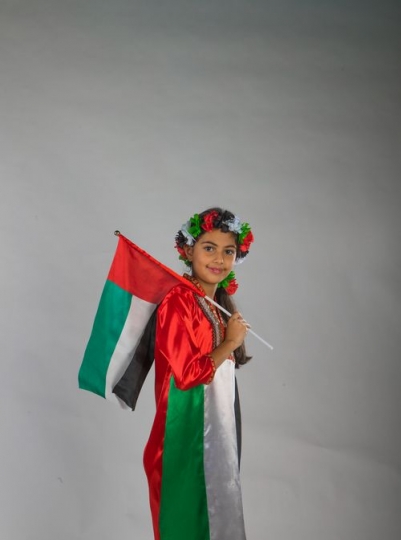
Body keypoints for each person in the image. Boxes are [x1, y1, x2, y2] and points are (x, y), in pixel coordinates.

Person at [143, 207, 254, 540]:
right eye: (209, 248)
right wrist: (230, 342)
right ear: (189, 250)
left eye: (228, 251)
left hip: (213, 441)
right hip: (182, 443)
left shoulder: (215, 308)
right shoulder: (178, 301)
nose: (219, 258)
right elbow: (188, 375)